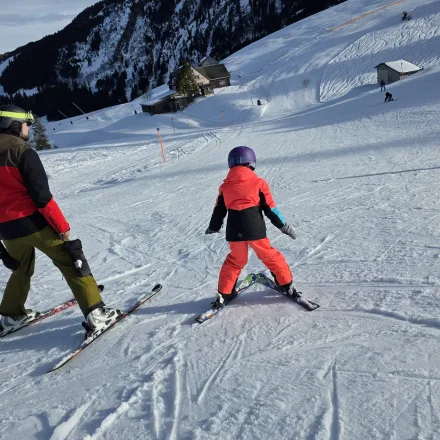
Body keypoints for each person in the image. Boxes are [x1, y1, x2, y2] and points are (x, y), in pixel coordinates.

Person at [0, 105, 119, 337]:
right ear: (13, 125)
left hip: (7, 230)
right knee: (71, 261)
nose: (28, 129)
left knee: (21, 269)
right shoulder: (23, 152)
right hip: (34, 223)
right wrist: (62, 227)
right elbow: (42, 197)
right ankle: (96, 314)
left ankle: (11, 315)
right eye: (25, 124)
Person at [206, 146, 298, 309]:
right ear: (251, 162)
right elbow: (270, 209)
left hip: (234, 231)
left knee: (235, 261)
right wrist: (283, 226)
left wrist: (213, 227)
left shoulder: (225, 187)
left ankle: (224, 294)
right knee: (270, 256)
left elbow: (219, 210)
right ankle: (286, 285)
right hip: (255, 230)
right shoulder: (258, 183)